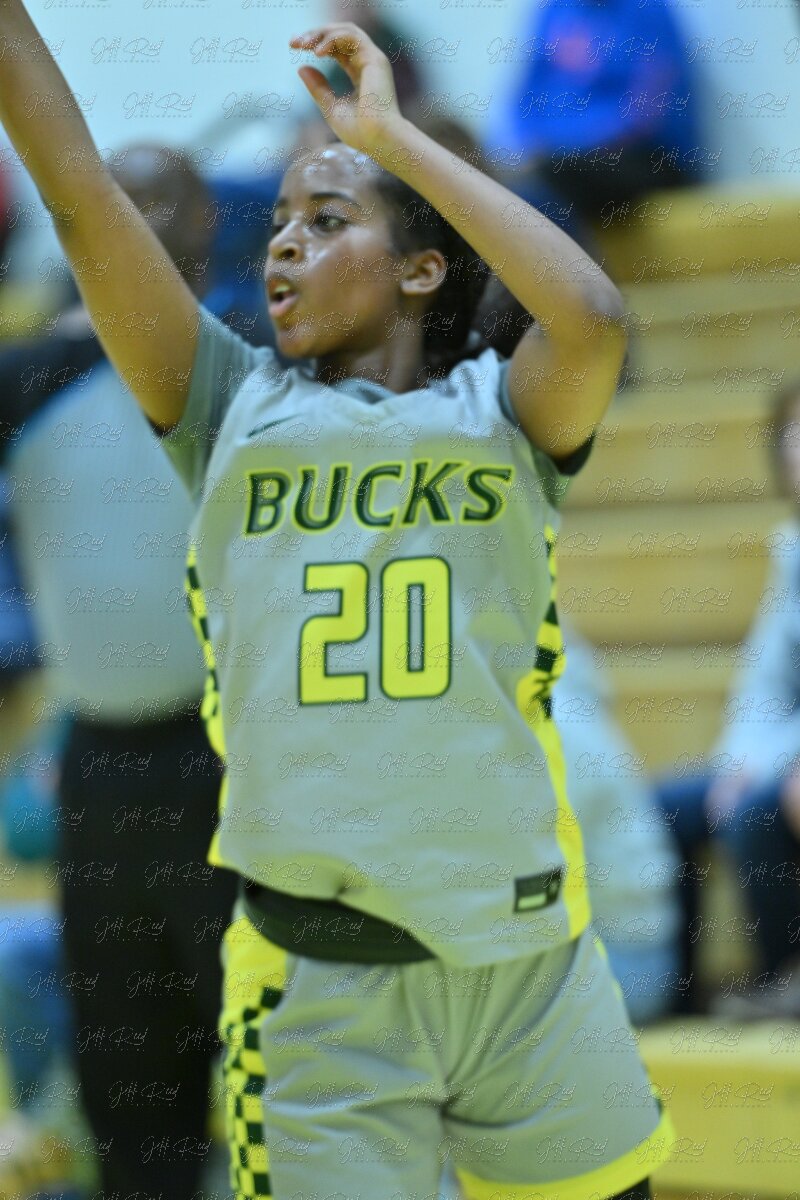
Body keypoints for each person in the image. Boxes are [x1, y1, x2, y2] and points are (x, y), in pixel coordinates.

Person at [0, 9, 674, 1200]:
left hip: (526, 967)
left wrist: (390, 139)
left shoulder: (504, 417)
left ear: (420, 266)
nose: (280, 246)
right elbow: (81, 195)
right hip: (319, 982)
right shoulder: (224, 406)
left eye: (324, 221)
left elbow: (593, 314)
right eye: (275, 223)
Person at [3, 145, 240, 1199]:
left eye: (158, 199)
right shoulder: (28, 381)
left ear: (207, 225)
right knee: (127, 1072)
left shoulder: (247, 362)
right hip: (97, 763)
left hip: (234, 757)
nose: (133, 218)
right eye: (115, 199)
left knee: (272, 1058)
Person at [655, 376, 800, 1019]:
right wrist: (741, 761)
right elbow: (763, 683)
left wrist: (766, 768)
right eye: (792, 433)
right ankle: (675, 995)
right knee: (666, 808)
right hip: (782, 755)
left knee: (757, 812)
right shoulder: (792, 551)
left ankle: (784, 981)